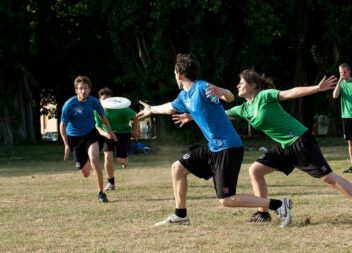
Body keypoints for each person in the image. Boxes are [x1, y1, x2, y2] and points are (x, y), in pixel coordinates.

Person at [137, 54, 292, 227]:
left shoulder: (202, 87)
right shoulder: (184, 96)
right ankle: (180, 215)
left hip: (228, 148)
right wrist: (151, 109)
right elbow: (170, 108)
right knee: (178, 168)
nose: (174, 76)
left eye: (174, 72)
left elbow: (229, 96)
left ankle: (279, 205)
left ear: (179, 74)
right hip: (213, 147)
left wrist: (222, 93)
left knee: (226, 200)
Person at [207, 69, 352, 223]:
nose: (237, 85)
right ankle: (263, 214)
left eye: (241, 82)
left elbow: (290, 93)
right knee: (255, 170)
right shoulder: (244, 109)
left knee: (328, 178)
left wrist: (316, 88)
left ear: (253, 86)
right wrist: (191, 115)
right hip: (285, 147)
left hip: (299, 140)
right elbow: (217, 116)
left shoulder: (264, 96)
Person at [60, 76, 116, 203]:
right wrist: (66, 145)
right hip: (75, 138)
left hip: (91, 134)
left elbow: (102, 116)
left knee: (94, 159)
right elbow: (62, 126)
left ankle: (101, 193)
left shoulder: (94, 102)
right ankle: (87, 164)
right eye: (80, 89)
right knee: (85, 173)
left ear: (89, 89)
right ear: (76, 90)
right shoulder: (69, 105)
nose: (83, 91)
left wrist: (110, 131)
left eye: (85, 88)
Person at [95, 87, 140, 191]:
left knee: (120, 160)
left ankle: (125, 161)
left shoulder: (121, 108)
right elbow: (97, 126)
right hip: (108, 135)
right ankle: (111, 183)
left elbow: (135, 116)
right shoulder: (97, 110)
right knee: (107, 156)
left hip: (123, 134)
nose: (107, 102)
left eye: (109, 100)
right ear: (100, 101)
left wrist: (134, 130)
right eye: (104, 100)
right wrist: (106, 134)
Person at [333, 63, 352, 173]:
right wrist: (339, 82)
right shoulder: (341, 84)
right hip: (346, 117)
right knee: (350, 143)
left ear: (349, 71)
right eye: (341, 73)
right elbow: (335, 96)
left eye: (344, 72)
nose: (343, 74)